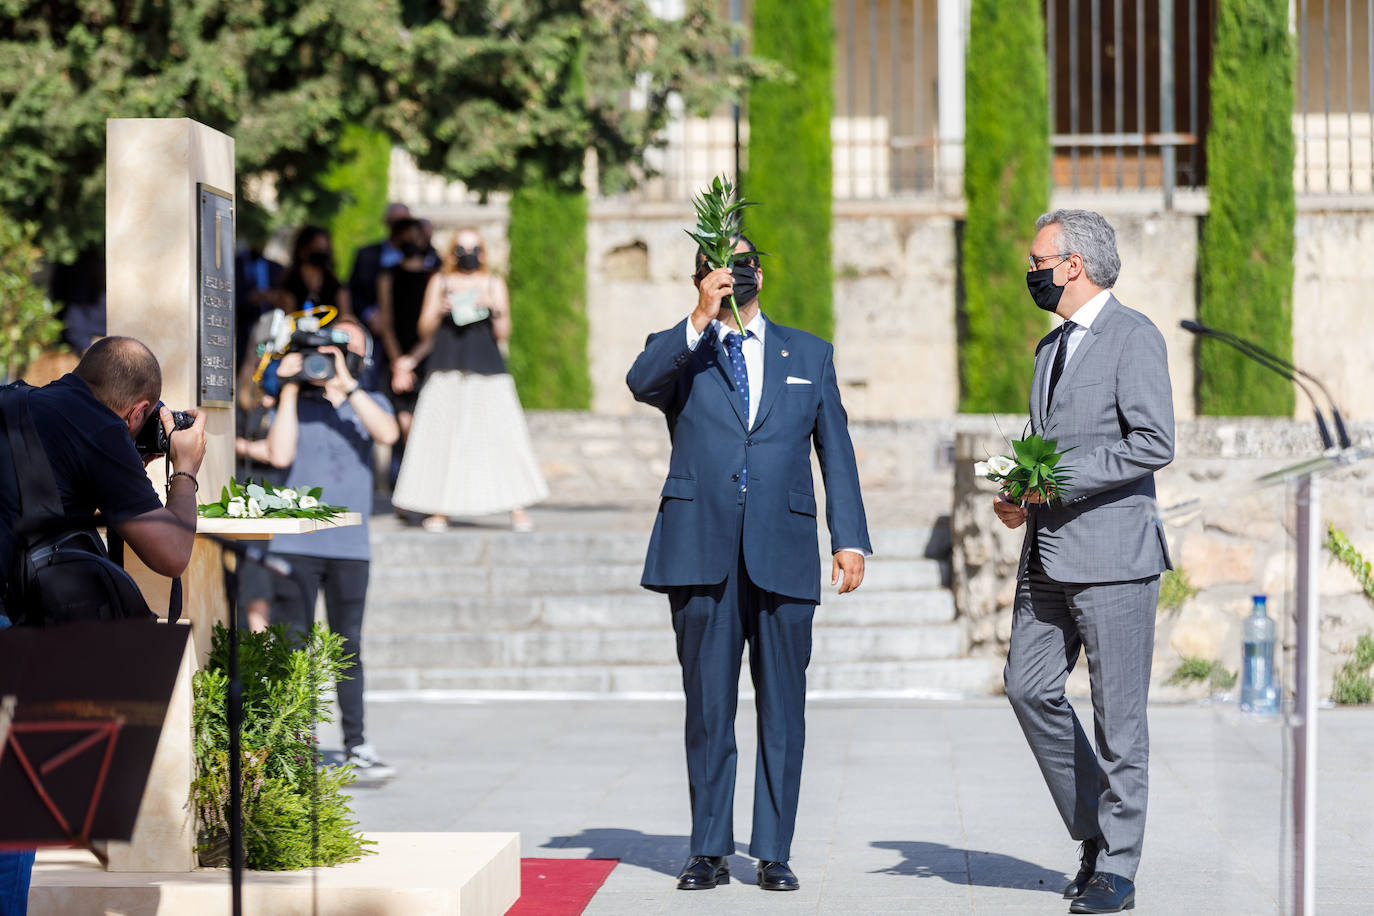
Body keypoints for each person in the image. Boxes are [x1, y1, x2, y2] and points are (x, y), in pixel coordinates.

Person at [626, 236, 870, 893]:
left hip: (784, 547)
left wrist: (848, 536)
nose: (732, 274)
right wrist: (699, 318)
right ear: (703, 278)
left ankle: (773, 849)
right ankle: (707, 847)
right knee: (708, 706)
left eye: (740, 262)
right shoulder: (681, 349)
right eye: (717, 265)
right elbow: (640, 381)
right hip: (699, 548)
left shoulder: (808, 353)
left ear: (758, 271)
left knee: (783, 706)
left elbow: (835, 448)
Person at [994, 209, 1174, 915]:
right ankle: (1098, 828)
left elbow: (1153, 442)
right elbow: (1042, 440)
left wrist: (1057, 480)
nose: (1030, 272)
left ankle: (1117, 868)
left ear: (1074, 265)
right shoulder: (1050, 347)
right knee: (1026, 687)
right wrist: (1018, 492)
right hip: (1046, 553)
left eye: (1039, 260)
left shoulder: (1135, 337)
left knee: (1118, 721)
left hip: (1114, 557)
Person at [0, 336, 208, 915]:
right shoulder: (98, 429)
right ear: (139, 410)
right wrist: (184, 469)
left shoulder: (25, 403)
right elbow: (169, 554)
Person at [241, 317, 400, 777]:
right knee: (293, 645)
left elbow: (388, 434)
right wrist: (290, 385)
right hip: (296, 543)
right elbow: (281, 453)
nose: (329, 359)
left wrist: (345, 384)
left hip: (351, 546)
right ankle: (296, 744)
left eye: (342, 350)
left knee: (348, 644)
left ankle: (357, 743)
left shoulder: (368, 401)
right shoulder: (292, 403)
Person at [391, 228, 547, 533]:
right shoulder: (440, 281)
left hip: (487, 369)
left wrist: (494, 307)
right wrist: (440, 309)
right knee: (440, 438)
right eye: (462, 248)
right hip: (446, 367)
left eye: (474, 248)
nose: (468, 254)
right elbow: (425, 330)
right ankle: (439, 509)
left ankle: (517, 507)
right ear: (452, 251)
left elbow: (503, 333)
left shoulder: (493, 282)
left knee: (503, 436)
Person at [375, 217, 437, 443]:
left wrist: (411, 360)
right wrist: (399, 363)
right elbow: (387, 322)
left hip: (425, 356)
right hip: (397, 355)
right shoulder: (388, 277)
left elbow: (435, 328)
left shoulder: (434, 276)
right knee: (402, 424)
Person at [349, 202, 412, 330]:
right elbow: (353, 291)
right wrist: (369, 314)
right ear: (386, 222)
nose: (398, 227)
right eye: (395, 221)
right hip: (374, 328)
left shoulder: (421, 257)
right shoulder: (366, 255)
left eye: (403, 222)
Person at [280, 225, 352, 318]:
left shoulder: (335, 286)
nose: (321, 253)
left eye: (324, 249)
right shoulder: (290, 285)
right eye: (316, 248)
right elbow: (287, 319)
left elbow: (346, 317)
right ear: (302, 250)